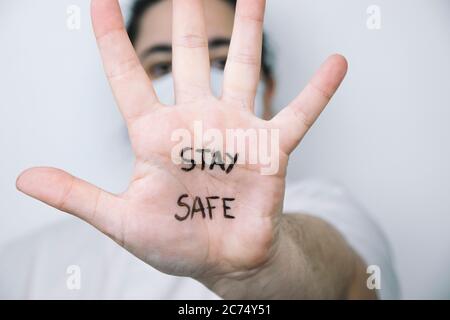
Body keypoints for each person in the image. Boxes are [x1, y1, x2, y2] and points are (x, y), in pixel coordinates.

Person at [0, 0, 399, 299]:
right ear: (126, 92)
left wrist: (268, 264)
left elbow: (349, 285)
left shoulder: (323, 208)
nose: (198, 88)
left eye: (224, 61)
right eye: (161, 66)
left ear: (270, 90)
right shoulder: (36, 263)